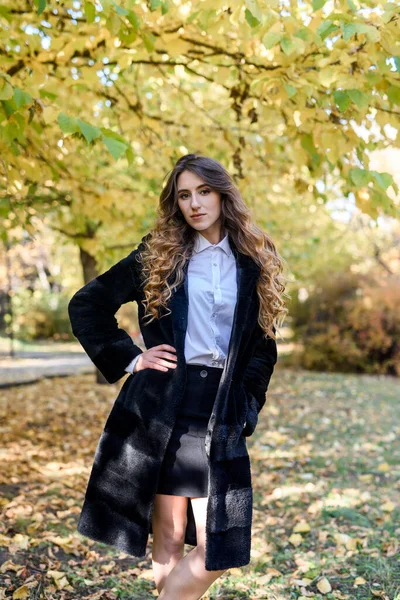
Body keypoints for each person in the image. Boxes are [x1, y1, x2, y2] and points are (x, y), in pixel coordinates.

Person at [68, 153, 287, 599]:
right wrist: (131, 359)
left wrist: (247, 405)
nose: (195, 204)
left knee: (217, 547)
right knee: (167, 536)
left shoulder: (252, 261)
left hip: (219, 410)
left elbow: (263, 347)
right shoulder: (158, 255)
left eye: (204, 192)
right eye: (184, 195)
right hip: (162, 407)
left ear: (223, 195)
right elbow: (86, 305)